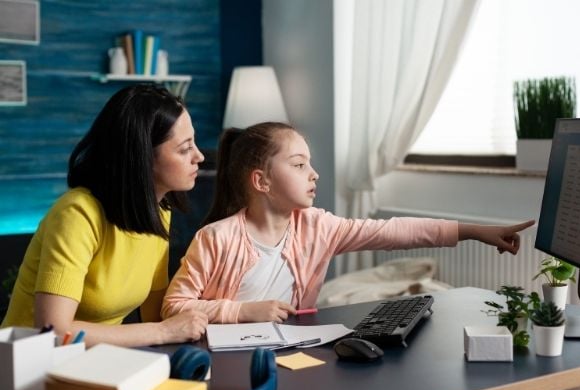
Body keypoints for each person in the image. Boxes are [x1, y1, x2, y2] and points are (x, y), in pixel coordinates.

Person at [161, 122, 535, 324]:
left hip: (295, 353)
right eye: (299, 164)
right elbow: (173, 306)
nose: (314, 174)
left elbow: (392, 233)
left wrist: (473, 231)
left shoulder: (318, 227)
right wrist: (242, 312)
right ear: (262, 181)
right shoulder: (215, 239)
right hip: (225, 362)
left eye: (310, 163)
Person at [1, 85, 208, 347]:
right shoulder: (77, 214)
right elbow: (53, 331)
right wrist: (164, 332)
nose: (199, 156)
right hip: (27, 369)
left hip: (94, 362)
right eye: (184, 149)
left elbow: (156, 311)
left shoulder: (157, 210)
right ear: (143, 156)